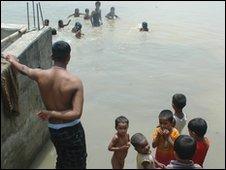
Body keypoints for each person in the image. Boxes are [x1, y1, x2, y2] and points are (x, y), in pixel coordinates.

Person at [3, 41, 87, 169]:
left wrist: (11, 59)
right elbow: (76, 113)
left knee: (63, 160)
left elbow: (24, 69)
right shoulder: (74, 81)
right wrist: (51, 113)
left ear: (51, 57)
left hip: (54, 129)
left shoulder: (40, 74)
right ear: (68, 57)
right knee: (77, 163)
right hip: (71, 130)